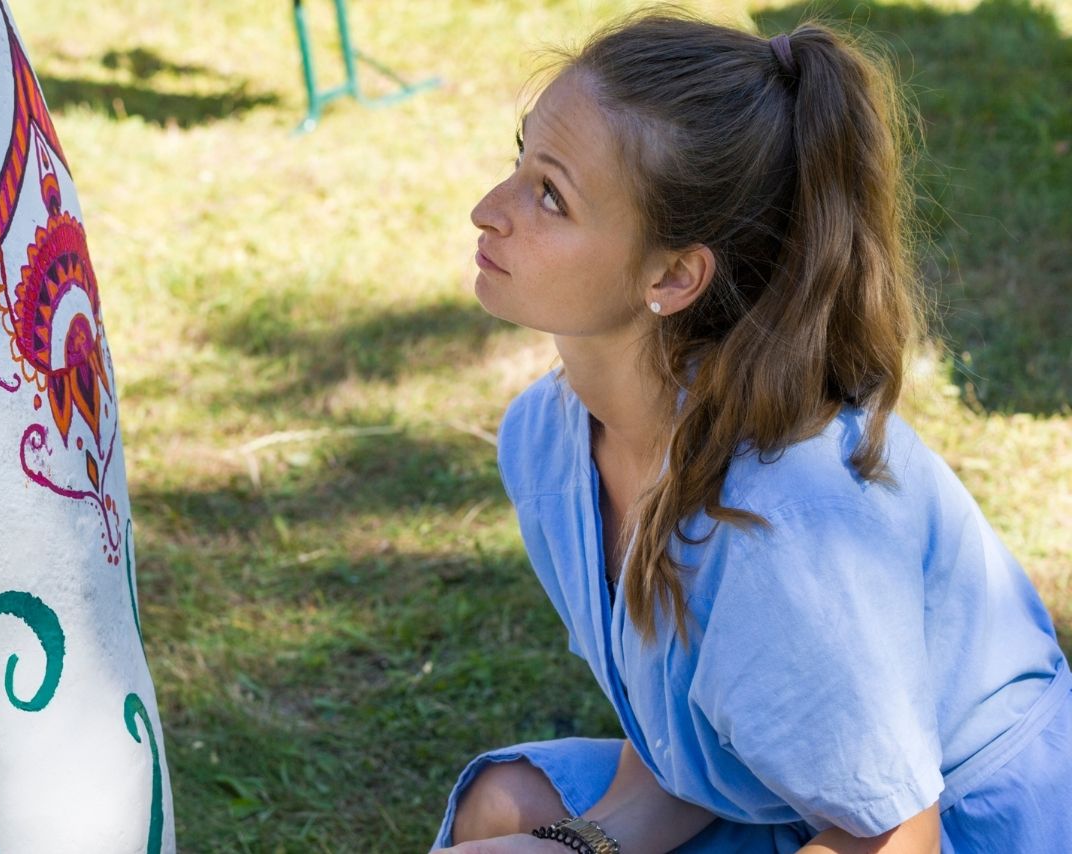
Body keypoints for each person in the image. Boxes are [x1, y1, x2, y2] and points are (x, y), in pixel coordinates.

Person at [432, 7, 1072, 853]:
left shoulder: (783, 522)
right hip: (799, 803)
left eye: (550, 196)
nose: (488, 210)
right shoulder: (547, 443)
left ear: (674, 275)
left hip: (969, 820)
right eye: (521, 162)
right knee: (503, 815)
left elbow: (893, 836)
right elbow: (681, 754)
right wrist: (577, 847)